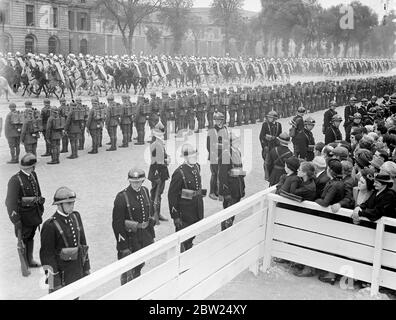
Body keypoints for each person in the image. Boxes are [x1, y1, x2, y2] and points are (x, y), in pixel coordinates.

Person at [40, 187, 90, 293]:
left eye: (72, 203)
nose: (72, 206)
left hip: (76, 272)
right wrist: (54, 282)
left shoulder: (76, 217)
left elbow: (83, 245)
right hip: (61, 277)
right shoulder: (50, 225)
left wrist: (86, 268)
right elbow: (46, 256)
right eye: (68, 203)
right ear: (59, 205)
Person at [112, 168, 156, 285]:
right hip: (130, 239)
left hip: (143, 236)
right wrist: (123, 245)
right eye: (133, 182)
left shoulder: (145, 191)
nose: (136, 184)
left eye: (139, 181)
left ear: (143, 181)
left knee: (139, 265)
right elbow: (117, 224)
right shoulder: (122, 197)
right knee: (127, 270)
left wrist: (150, 233)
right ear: (129, 181)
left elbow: (149, 211)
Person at [5, 153, 45, 271]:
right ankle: (24, 264)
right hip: (23, 216)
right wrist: (15, 220)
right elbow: (10, 202)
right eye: (34, 166)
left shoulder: (33, 175)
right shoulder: (15, 180)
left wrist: (40, 208)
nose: (34, 168)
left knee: (31, 236)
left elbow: (38, 192)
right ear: (31, 166)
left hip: (34, 214)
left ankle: (30, 259)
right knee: (23, 239)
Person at [168, 144, 206, 252]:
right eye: (191, 156)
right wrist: (175, 216)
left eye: (195, 155)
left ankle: (188, 250)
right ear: (185, 158)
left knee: (192, 235)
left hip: (196, 208)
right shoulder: (179, 173)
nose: (194, 157)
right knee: (183, 240)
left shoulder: (197, 167)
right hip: (185, 212)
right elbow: (172, 195)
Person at [218, 132, 246, 231]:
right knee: (227, 213)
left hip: (237, 187)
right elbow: (222, 176)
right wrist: (225, 192)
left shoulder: (237, 151)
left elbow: (240, 169)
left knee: (233, 212)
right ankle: (224, 232)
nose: (238, 142)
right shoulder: (226, 154)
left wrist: (242, 187)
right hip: (230, 189)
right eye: (235, 140)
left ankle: (228, 229)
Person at [148, 123, 170, 224]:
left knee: (159, 194)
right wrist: (156, 175)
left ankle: (157, 213)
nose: (160, 134)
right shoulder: (155, 143)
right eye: (158, 132)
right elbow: (154, 162)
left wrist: (167, 158)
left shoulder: (160, 142)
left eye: (161, 132)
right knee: (155, 195)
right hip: (157, 173)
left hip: (162, 171)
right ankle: (153, 215)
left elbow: (162, 156)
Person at [207, 112, 230, 200]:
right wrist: (213, 154)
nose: (217, 122)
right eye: (216, 120)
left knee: (222, 174)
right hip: (214, 155)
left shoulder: (225, 128)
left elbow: (227, 140)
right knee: (214, 173)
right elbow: (208, 145)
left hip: (223, 154)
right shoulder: (212, 130)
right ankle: (212, 192)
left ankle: (219, 191)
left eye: (219, 120)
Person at [259, 111, 282, 177]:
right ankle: (267, 175)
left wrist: (278, 142)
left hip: (275, 146)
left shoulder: (279, 125)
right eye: (268, 117)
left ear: (275, 118)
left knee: (275, 160)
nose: (269, 119)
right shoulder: (265, 124)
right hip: (268, 145)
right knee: (267, 161)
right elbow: (261, 136)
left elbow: (280, 135)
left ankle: (273, 173)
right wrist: (264, 146)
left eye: (271, 118)